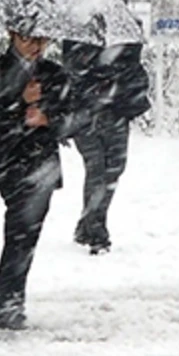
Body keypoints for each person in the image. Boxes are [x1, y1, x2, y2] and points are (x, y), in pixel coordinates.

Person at [0, 25, 72, 330]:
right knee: (19, 234)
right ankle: (8, 305)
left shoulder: (55, 74)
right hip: (8, 163)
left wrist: (47, 116)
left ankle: (10, 302)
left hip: (42, 165)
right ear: (12, 36)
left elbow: (74, 118)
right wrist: (19, 100)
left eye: (43, 38)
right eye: (28, 38)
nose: (36, 45)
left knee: (25, 236)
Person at [64, 39, 150, 255]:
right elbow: (72, 74)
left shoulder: (126, 37)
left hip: (116, 113)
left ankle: (87, 224)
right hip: (86, 114)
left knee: (113, 169)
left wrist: (120, 84)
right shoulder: (79, 35)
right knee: (97, 169)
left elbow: (135, 72)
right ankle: (96, 231)